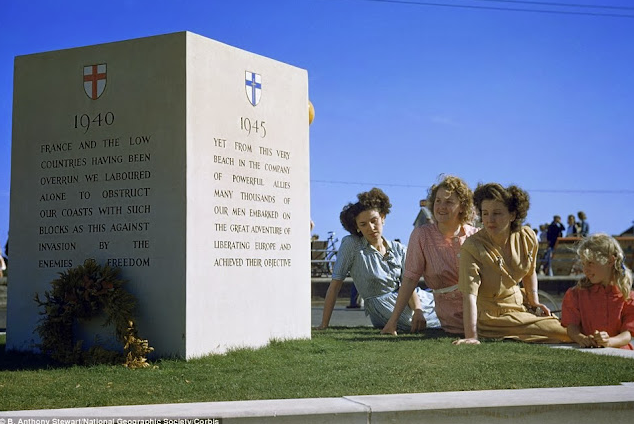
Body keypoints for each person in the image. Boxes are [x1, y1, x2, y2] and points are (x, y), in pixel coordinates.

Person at [453, 183, 570, 345]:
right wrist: (472, 337)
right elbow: (469, 296)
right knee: (560, 330)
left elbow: (530, 272)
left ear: (513, 215)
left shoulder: (526, 236)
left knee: (561, 324)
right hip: (492, 317)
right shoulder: (472, 247)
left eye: (497, 213)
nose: (489, 220)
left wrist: (534, 301)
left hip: (521, 306)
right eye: (485, 213)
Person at [317, 188, 439, 331]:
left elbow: (408, 285)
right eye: (363, 224)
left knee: (450, 312)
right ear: (357, 228)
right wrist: (324, 324)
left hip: (414, 301)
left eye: (374, 221)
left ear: (383, 218)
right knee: (438, 324)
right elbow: (335, 285)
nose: (371, 228)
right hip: (384, 309)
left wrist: (418, 309)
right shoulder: (351, 245)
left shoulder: (399, 249)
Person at [381, 175, 478, 335]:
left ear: (462, 206)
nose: (441, 206)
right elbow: (410, 278)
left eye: (449, 202)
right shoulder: (422, 235)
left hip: (484, 308)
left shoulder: (474, 235)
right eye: (438, 201)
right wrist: (392, 322)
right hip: (451, 316)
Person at [561, 234, 634, 349]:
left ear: (610, 261)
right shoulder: (575, 294)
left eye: (590, 263)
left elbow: (628, 334)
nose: (585, 269)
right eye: (583, 263)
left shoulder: (628, 296)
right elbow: (571, 327)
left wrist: (609, 341)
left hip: (621, 353)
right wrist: (581, 338)